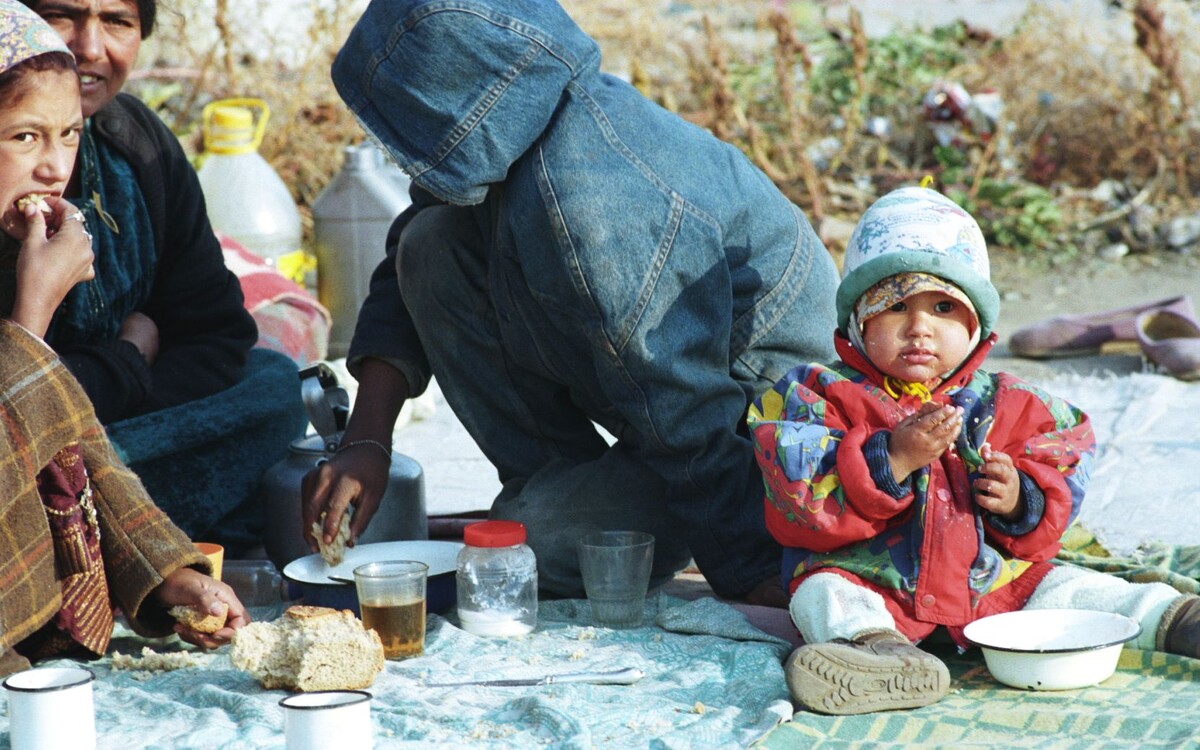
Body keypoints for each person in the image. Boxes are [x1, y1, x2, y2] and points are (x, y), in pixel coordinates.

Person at [303, 0, 840, 602]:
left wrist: (752, 569)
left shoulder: (595, 209)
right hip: (663, 404)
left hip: (757, 434)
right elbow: (412, 239)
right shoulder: (520, 117)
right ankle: (550, 485)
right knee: (431, 245)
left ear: (468, 108)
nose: (400, 155)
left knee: (524, 553)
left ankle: (560, 509)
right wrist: (367, 440)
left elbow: (687, 415)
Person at [747, 186, 1200, 715]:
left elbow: (1064, 457)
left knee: (1078, 590)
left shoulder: (1007, 401)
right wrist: (892, 459)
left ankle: (1177, 620)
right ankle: (876, 655)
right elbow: (800, 505)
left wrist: (1018, 498)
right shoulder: (815, 396)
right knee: (821, 592)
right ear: (858, 322)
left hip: (992, 583)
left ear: (976, 325)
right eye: (895, 306)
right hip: (874, 584)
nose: (920, 327)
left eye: (944, 307)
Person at [0, 0, 246, 676]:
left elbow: (69, 431)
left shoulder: (136, 145)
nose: (55, 169)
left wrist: (167, 575)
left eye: (70, 136)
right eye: (24, 138)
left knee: (273, 387)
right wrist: (35, 316)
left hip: (96, 441)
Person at [15, 0, 307, 554]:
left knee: (273, 386)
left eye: (117, 21)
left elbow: (217, 331)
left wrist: (113, 411)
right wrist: (127, 360)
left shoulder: (139, 146)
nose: (90, 48)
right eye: (62, 15)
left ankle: (101, 531)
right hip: (17, 450)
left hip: (120, 433)